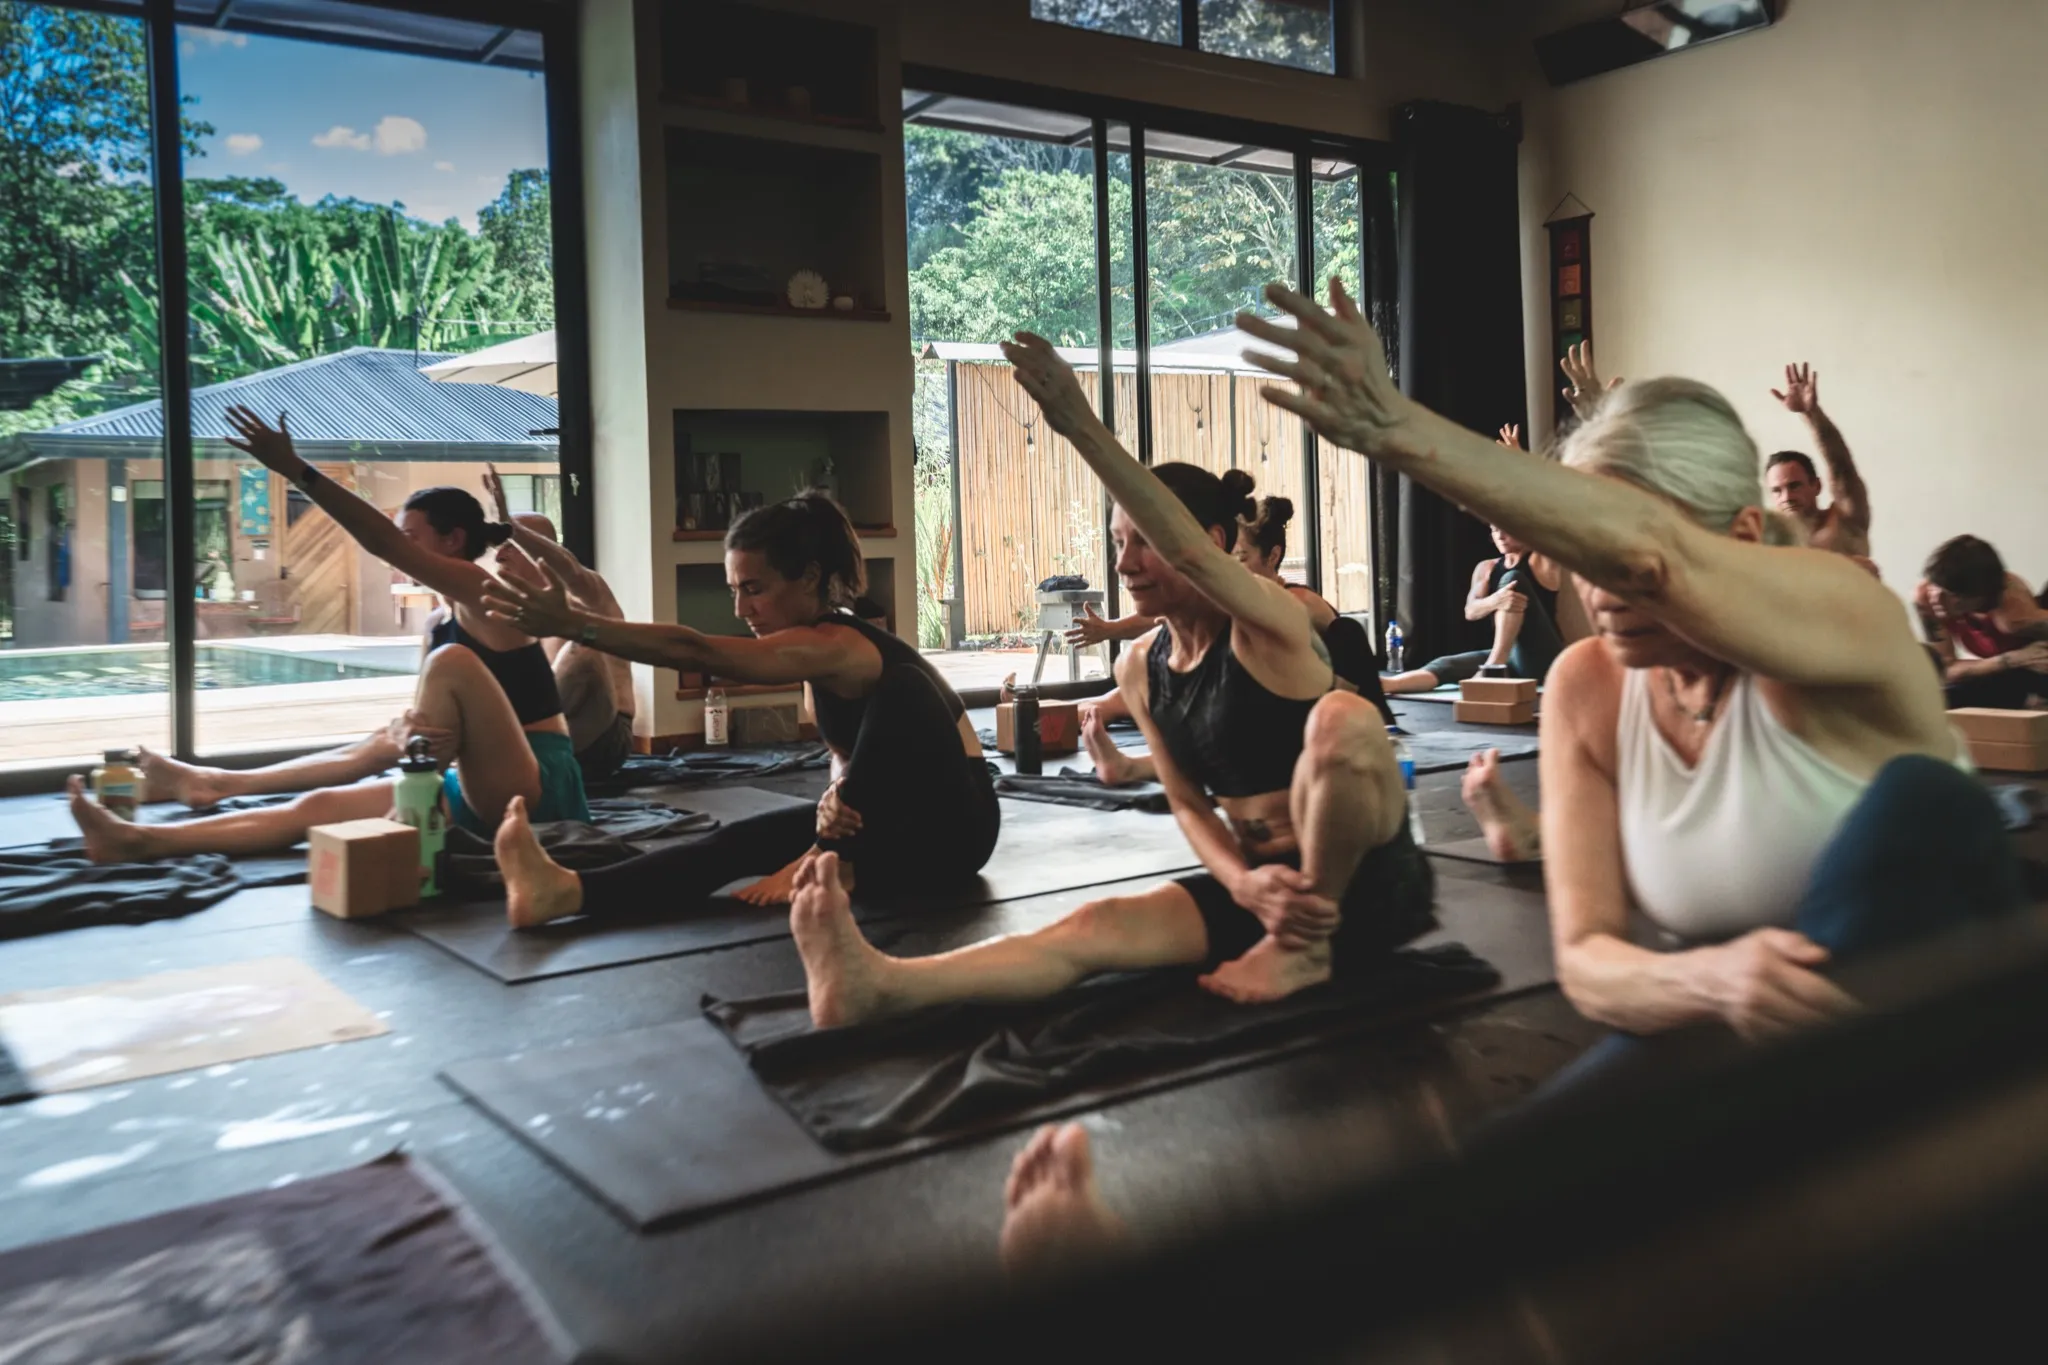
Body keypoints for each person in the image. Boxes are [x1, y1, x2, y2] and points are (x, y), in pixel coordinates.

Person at [1235, 279, 2020, 1092]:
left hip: (1951, 1079)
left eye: (1608, 551)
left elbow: (1651, 554)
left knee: (1928, 801)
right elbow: (1589, 964)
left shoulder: (1849, 615)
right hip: (1748, 1049)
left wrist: (1395, 427)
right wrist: (1715, 980)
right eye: (1579, 549)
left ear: (1744, 537)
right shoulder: (1588, 686)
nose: (1601, 588)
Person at [786, 331, 1432, 1026]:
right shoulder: (1140, 667)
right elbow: (1188, 804)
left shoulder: (1268, 621)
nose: (1124, 564)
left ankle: (1309, 946)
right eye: (1118, 542)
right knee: (1092, 926)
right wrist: (1244, 883)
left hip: (1363, 883)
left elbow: (1190, 552)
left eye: (1143, 541)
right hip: (1267, 890)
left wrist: (1080, 424)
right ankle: (879, 984)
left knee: (1346, 718)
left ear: (1210, 542)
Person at [66, 407, 589, 861]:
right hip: (464, 777)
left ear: (453, 540)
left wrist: (296, 470)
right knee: (320, 807)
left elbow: (381, 543)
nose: (401, 551)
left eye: (413, 538)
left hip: (535, 781)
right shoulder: (438, 624)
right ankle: (141, 837)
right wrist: (409, 738)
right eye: (402, 537)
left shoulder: (484, 593)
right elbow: (425, 735)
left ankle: (388, 811)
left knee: (450, 664)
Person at [479, 493, 999, 927]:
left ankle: (833, 862)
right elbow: (849, 753)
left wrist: (576, 624)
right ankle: (565, 892)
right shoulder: (817, 661)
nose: (741, 609)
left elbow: (694, 650)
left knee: (904, 686)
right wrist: (837, 790)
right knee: (736, 841)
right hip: (888, 824)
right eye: (734, 591)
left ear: (810, 577)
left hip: (954, 830)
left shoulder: (842, 644)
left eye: (754, 590)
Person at [1077, 495, 1397, 787]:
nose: (1230, 571)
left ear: (1272, 556)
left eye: (1241, 558)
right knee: (1122, 696)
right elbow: (1172, 618)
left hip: (1329, 713)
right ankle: (1042, 720)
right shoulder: (1232, 607)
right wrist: (1114, 630)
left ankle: (1133, 767)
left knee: (1231, 732)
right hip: (1272, 698)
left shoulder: (1295, 603)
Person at [481, 465, 637, 782]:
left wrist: (512, 525)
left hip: (604, 737)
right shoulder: (514, 611)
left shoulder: (588, 598)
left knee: (584, 647)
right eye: (498, 547)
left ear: (541, 549)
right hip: (549, 736)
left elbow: (572, 572)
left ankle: (509, 753)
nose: (498, 556)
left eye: (508, 545)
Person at [1378, 520, 1584, 697]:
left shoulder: (1542, 561)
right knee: (1445, 665)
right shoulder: (1487, 567)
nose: (1500, 536)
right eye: (1495, 530)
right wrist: (1496, 600)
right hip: (1507, 657)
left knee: (1512, 580)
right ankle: (1382, 685)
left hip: (1543, 659)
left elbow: (1555, 535)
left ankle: (1494, 666)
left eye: (1506, 529)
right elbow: (1471, 611)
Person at [1914, 534, 2048, 709]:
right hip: (2009, 669)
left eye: (1950, 594)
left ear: (1979, 596)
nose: (1936, 599)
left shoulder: (2012, 606)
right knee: (1943, 699)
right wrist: (2013, 659)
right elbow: (1946, 670)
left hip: (2035, 668)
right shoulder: (1926, 600)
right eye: (1934, 586)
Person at [1764, 362, 1871, 561]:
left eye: (1794, 486)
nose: (1786, 497)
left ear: (1817, 485)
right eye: (1777, 490)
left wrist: (1811, 414)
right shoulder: (1766, 537)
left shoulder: (1844, 519)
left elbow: (1842, 468)